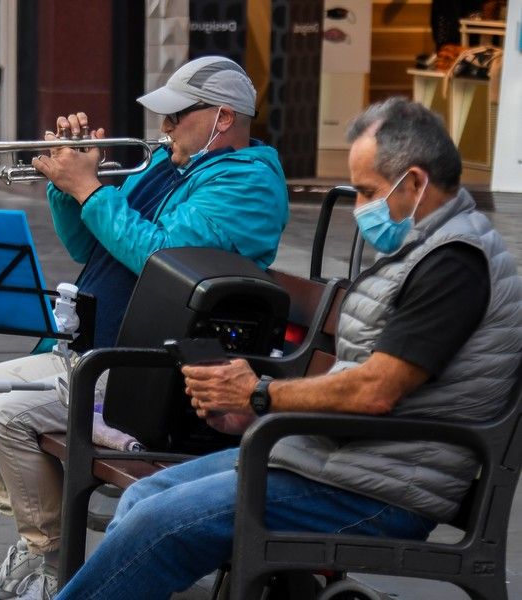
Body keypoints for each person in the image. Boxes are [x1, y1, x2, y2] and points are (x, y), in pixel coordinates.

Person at [54, 96, 522, 600]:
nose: (361, 208)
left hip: (375, 490)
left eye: (368, 191)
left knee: (158, 521)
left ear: (413, 182)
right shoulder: (425, 249)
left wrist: (261, 397)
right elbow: (361, 377)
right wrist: (253, 413)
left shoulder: (454, 263)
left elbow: (376, 391)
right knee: (147, 494)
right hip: (333, 459)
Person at [0, 55, 290, 600]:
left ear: (223, 118)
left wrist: (91, 189)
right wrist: (65, 186)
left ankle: (48, 562)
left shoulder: (247, 184)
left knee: (7, 417)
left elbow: (164, 260)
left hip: (150, 367)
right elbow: (87, 245)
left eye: (175, 116)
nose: (163, 129)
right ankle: (45, 547)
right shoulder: (166, 165)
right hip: (97, 345)